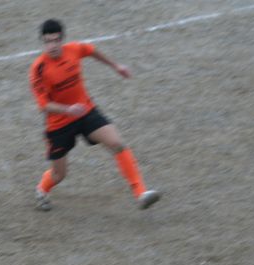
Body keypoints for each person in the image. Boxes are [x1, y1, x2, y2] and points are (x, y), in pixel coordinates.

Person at [29, 18, 160, 211]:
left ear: (62, 39)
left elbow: (91, 51)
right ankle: (42, 189)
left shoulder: (74, 49)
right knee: (59, 175)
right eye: (48, 41)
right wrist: (67, 110)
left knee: (117, 143)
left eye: (56, 40)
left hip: (85, 112)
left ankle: (140, 193)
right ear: (43, 41)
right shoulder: (38, 69)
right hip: (59, 125)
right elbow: (43, 105)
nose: (52, 46)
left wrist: (116, 66)